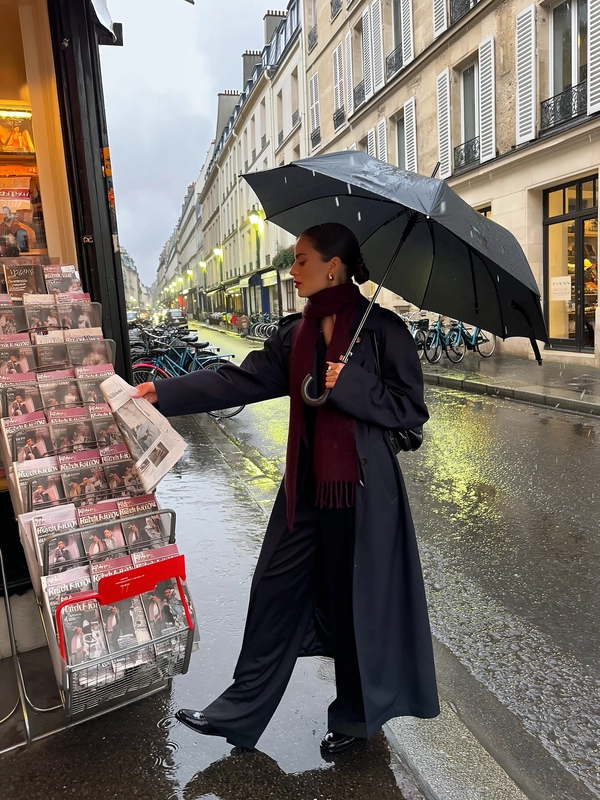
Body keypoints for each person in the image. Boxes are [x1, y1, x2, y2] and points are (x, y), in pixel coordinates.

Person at [135, 223, 438, 754]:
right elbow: (238, 380)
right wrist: (162, 390)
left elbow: (410, 410)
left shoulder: (383, 330)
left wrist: (357, 384)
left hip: (363, 496)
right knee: (273, 589)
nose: (292, 270)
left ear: (333, 266)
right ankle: (239, 713)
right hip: (304, 490)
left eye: (301, 261)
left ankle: (355, 720)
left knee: (356, 606)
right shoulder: (295, 333)